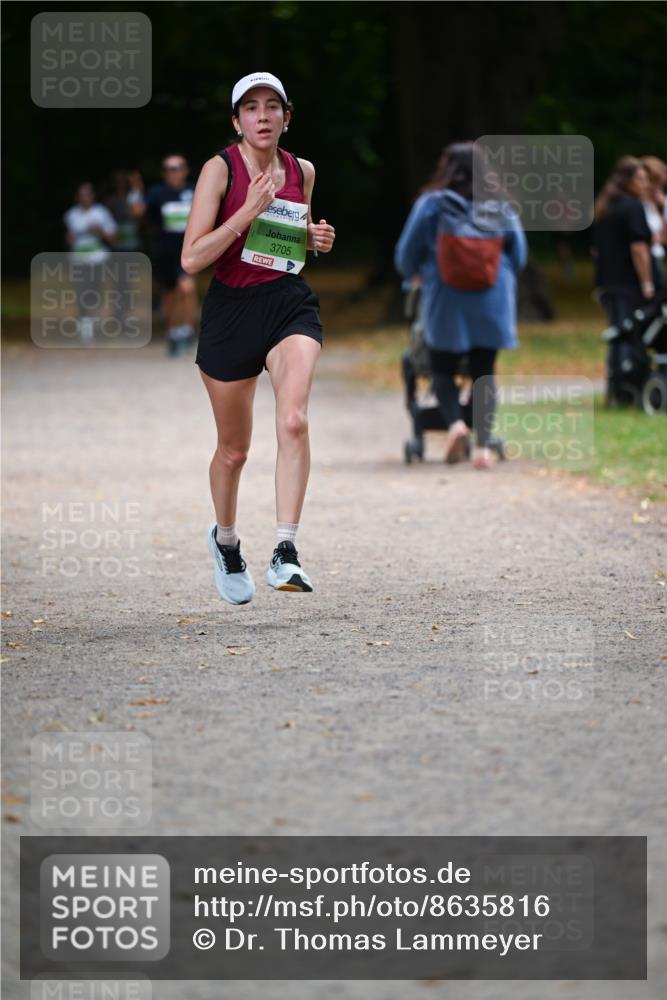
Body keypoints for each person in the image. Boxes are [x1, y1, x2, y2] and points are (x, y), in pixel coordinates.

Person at [181, 72, 335, 604]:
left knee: (294, 419)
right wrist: (246, 211)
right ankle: (226, 542)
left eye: (273, 106)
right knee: (234, 450)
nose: (263, 116)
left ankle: (286, 550)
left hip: (288, 303)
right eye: (251, 108)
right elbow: (191, 257)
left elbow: (295, 237)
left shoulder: (302, 170)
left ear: (287, 117)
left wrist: (316, 238)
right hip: (230, 311)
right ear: (237, 121)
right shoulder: (218, 170)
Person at [394, 142, 527, 469]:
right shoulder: (500, 207)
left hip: (445, 298)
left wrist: (416, 275)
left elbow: (405, 257)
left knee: (441, 367)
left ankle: (455, 425)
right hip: (492, 300)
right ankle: (482, 447)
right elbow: (519, 256)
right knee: (484, 371)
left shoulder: (431, 205)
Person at [592, 156, 654, 404]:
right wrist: (647, 282)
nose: (644, 184)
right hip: (629, 283)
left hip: (610, 283)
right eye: (640, 179)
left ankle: (615, 387)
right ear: (627, 181)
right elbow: (638, 248)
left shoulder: (605, 208)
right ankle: (629, 387)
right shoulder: (632, 207)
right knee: (631, 334)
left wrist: (599, 284)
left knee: (616, 336)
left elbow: (596, 251)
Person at [131, 155, 198, 356]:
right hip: (164, 251)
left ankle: (186, 330)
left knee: (187, 288)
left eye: (178, 168)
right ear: (164, 172)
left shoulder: (193, 191)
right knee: (169, 295)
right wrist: (135, 190)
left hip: (189, 250)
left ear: (185, 170)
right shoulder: (157, 193)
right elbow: (137, 212)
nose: (174, 172)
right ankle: (173, 332)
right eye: (169, 168)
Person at [63, 182, 117, 342]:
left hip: (98, 259)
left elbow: (113, 237)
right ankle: (84, 323)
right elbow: (67, 238)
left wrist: (99, 231)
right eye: (82, 195)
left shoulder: (101, 213)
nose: (85, 198)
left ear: (92, 196)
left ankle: (92, 317)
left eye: (88, 194)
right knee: (82, 289)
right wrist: (70, 238)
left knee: (94, 289)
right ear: (77, 197)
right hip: (79, 259)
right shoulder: (71, 215)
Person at [639, 155, 667, 288]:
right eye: (654, 182)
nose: (656, 187)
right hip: (641, 262)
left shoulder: (656, 204)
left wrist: (663, 206)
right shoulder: (636, 204)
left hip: (655, 258)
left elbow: (663, 236)